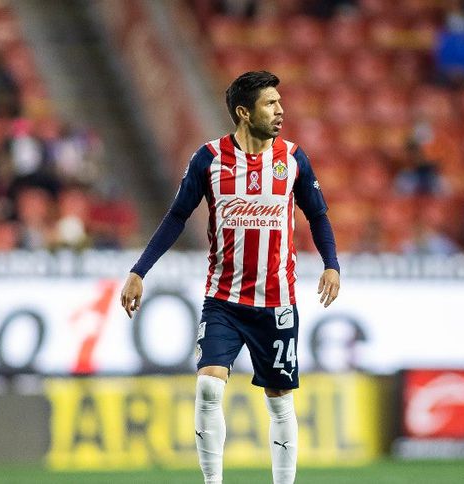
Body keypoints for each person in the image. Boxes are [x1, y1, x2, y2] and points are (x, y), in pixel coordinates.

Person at [119, 71, 340, 484]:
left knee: (279, 400)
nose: (281, 110)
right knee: (208, 388)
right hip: (224, 301)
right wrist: (139, 270)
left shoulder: (293, 159)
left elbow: (318, 215)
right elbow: (176, 216)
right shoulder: (208, 159)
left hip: (276, 303)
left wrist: (331, 263)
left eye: (279, 102)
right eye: (270, 103)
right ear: (244, 112)